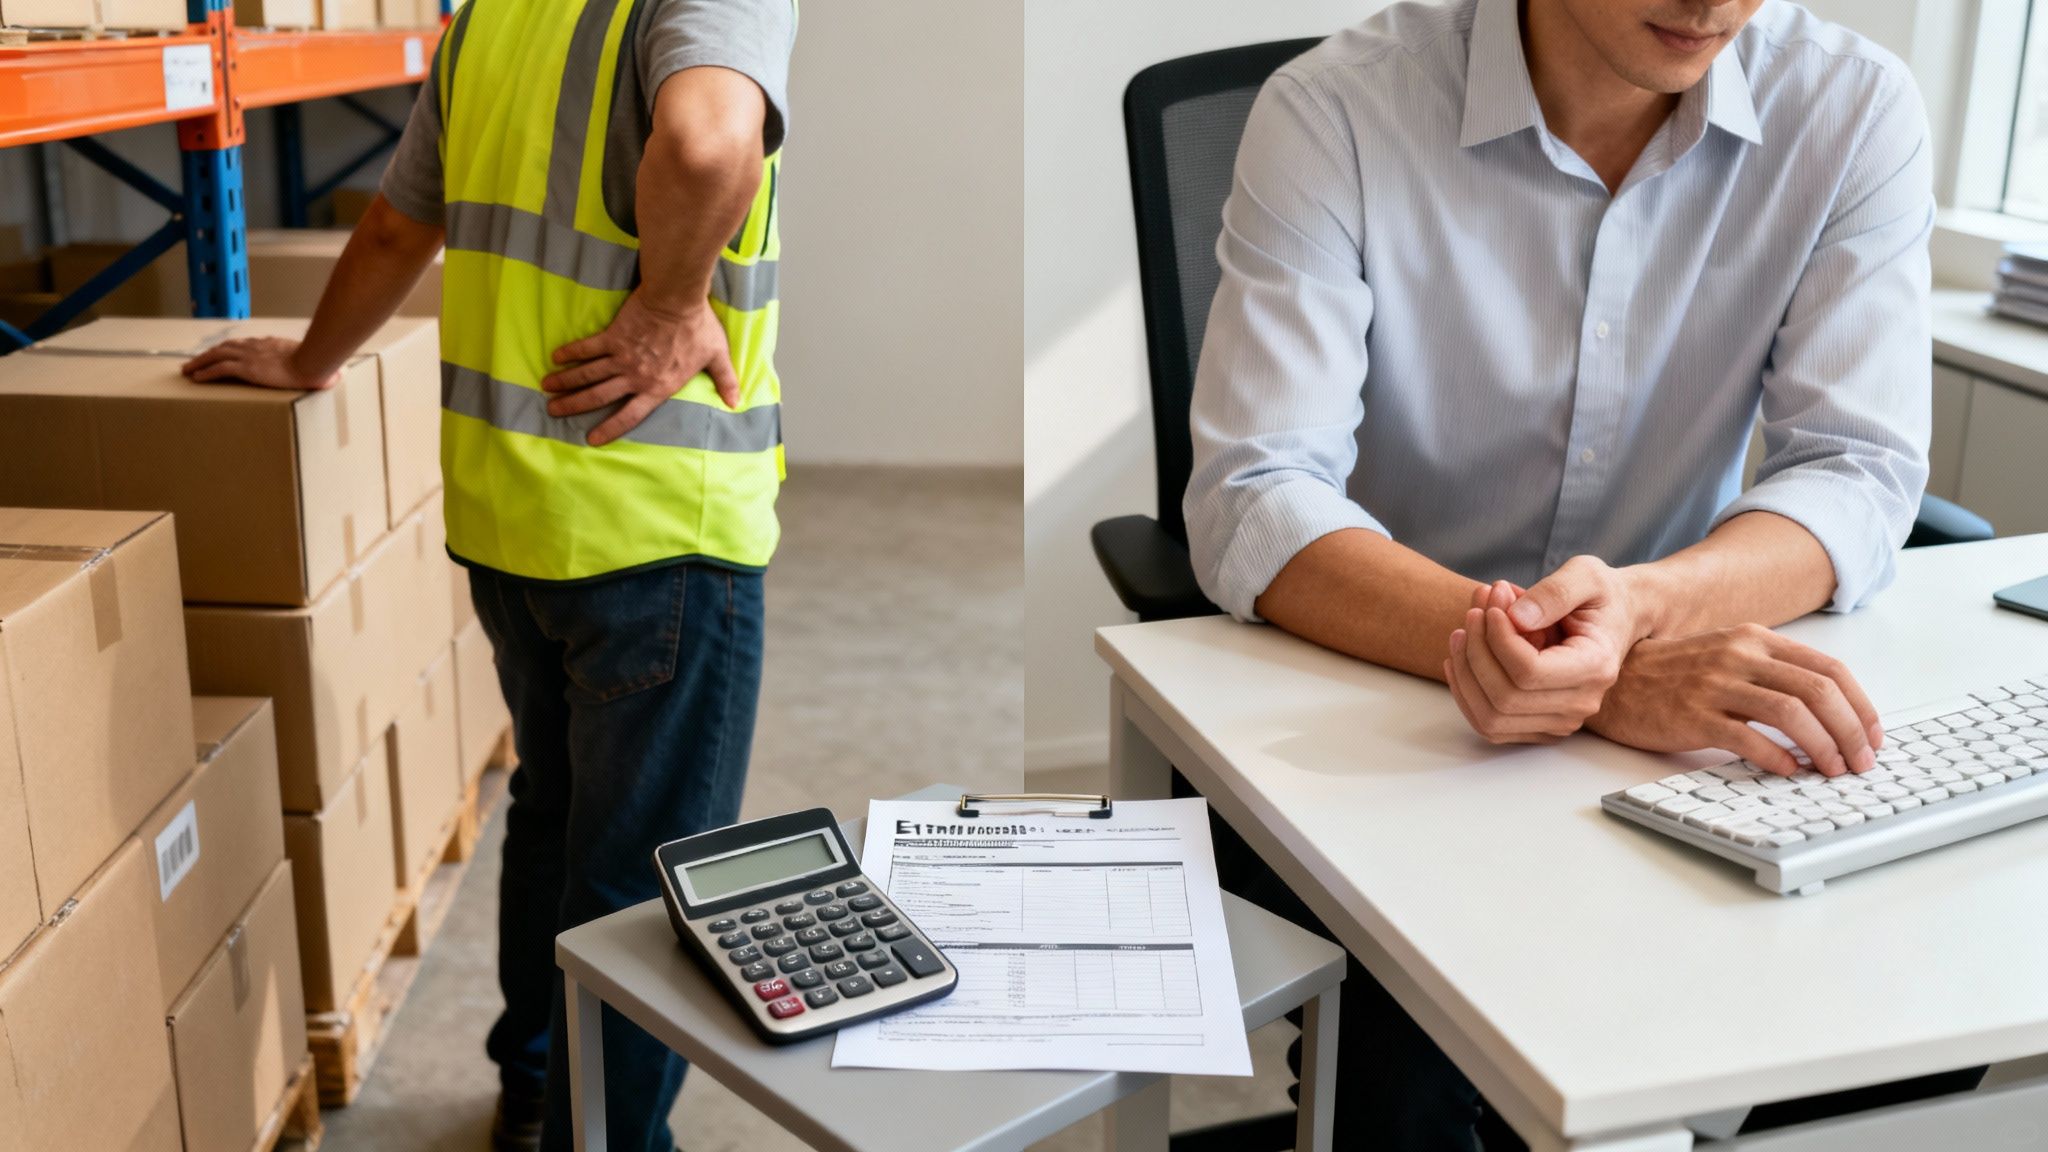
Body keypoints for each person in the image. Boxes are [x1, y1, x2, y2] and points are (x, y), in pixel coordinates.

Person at [1183, 0, 1965, 1146]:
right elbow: (1256, 494)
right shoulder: (1334, 111)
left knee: (1906, 991)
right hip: (1391, 715)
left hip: (1680, 679)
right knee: (1421, 1058)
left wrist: (1636, 618)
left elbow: (1853, 470)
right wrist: (1567, 666)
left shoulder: (1849, 108)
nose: (1711, 6)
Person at [180, 1, 798, 1148]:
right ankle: (598, 1137)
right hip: (655, 524)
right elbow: (711, 142)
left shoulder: (496, 14)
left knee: (556, 816)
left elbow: (394, 226)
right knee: (651, 878)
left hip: (510, 519)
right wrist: (668, 309)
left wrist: (313, 359)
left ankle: (532, 1084)